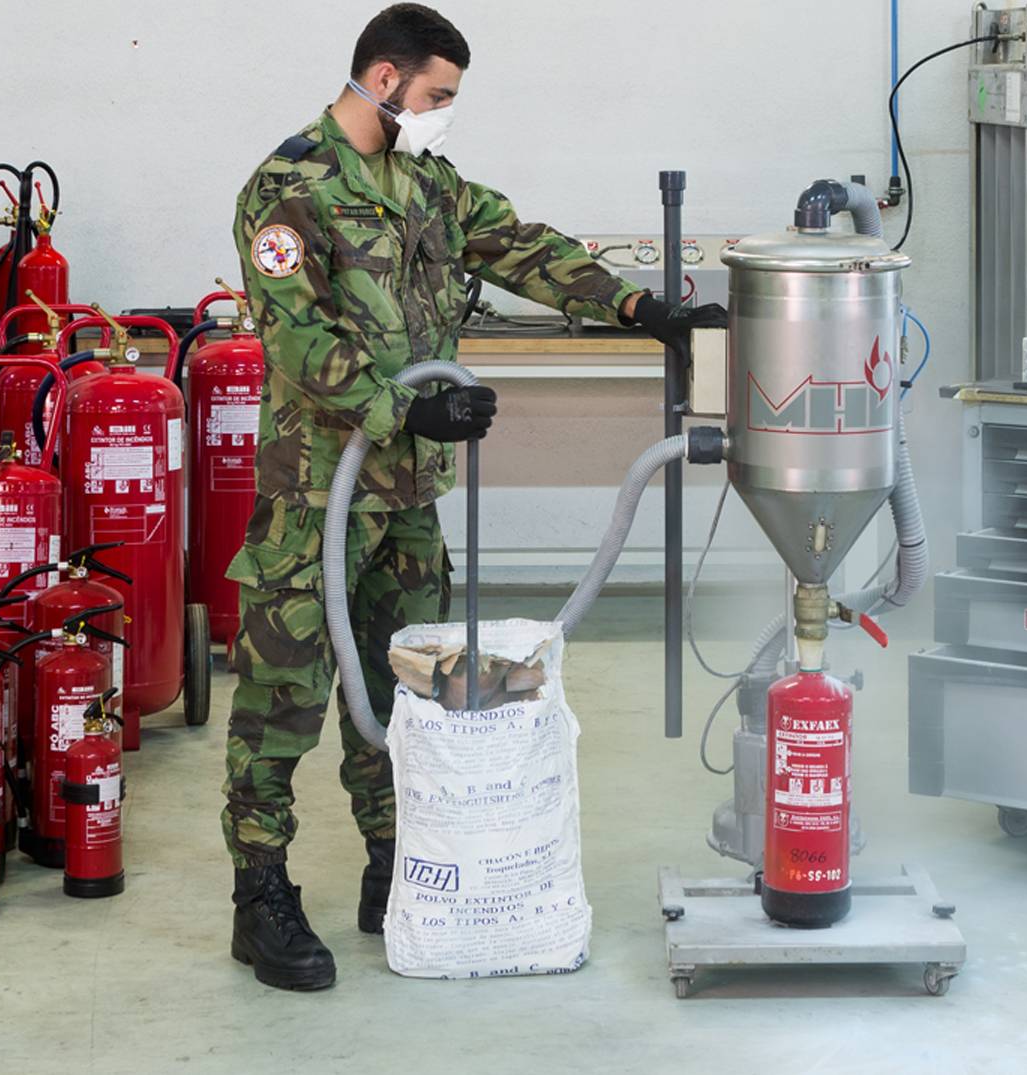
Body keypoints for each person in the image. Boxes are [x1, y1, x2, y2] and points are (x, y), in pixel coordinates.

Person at [225, 2, 725, 991]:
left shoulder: (426, 185)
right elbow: (295, 338)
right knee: (282, 696)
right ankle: (260, 891)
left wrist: (643, 309)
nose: (443, 113)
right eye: (436, 95)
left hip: (405, 495)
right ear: (383, 79)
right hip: (315, 492)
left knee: (405, 688)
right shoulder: (288, 189)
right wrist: (399, 410)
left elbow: (523, 246)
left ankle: (389, 864)